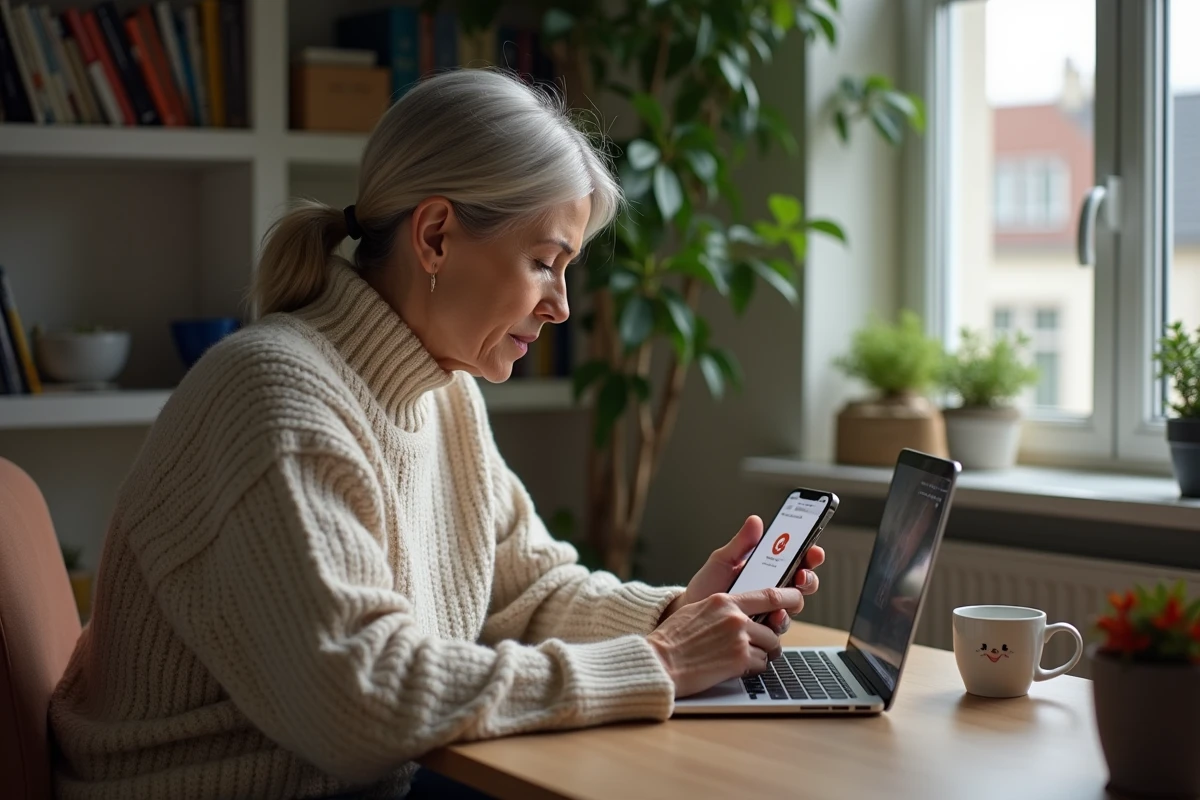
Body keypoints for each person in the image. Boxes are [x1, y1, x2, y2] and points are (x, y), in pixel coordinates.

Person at [48, 69, 825, 800]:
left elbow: (528, 594)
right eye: (544, 262)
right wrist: (658, 663)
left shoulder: (442, 390)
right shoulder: (274, 399)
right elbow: (363, 701)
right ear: (437, 237)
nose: (560, 305)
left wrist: (676, 617)